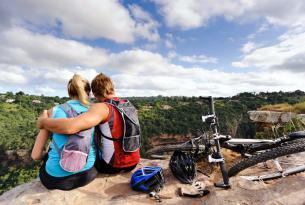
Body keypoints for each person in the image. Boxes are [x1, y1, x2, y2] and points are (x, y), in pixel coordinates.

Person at [37, 73, 140, 174]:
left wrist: (43, 121)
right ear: (112, 88)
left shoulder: (102, 107)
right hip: (134, 162)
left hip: (113, 165)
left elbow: (70, 127)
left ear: (94, 94)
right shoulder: (128, 104)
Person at [31, 74, 97, 190]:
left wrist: (46, 156)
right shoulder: (94, 112)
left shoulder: (53, 112)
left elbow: (35, 155)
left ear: (69, 92)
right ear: (89, 93)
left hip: (56, 179)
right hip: (87, 173)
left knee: (50, 156)